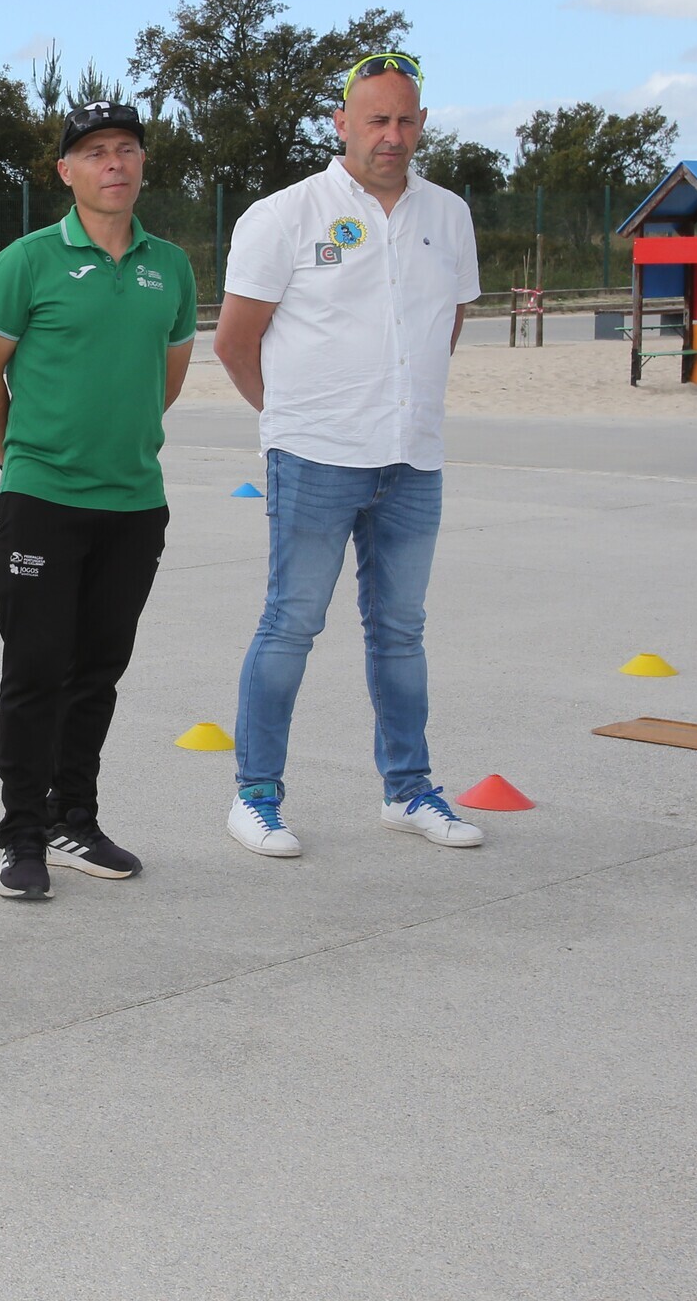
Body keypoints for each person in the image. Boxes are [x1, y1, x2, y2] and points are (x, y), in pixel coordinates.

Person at [215, 53, 486, 857]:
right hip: (314, 458)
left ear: (423, 124)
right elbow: (234, 342)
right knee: (291, 623)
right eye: (375, 120)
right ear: (340, 124)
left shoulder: (449, 214)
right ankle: (255, 795)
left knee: (400, 630)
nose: (391, 136)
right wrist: (298, 419)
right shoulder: (284, 216)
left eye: (405, 120)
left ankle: (409, 790)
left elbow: (448, 322)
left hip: (413, 458)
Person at [0, 100, 197, 902]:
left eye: (127, 149)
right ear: (66, 172)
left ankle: (75, 821)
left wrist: (114, 443)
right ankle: (22, 834)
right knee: (35, 672)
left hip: (135, 502)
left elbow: (165, 377)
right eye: (96, 152)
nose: (115, 163)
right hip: (42, 500)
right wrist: (24, 461)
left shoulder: (171, 263)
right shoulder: (27, 260)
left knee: (97, 671)